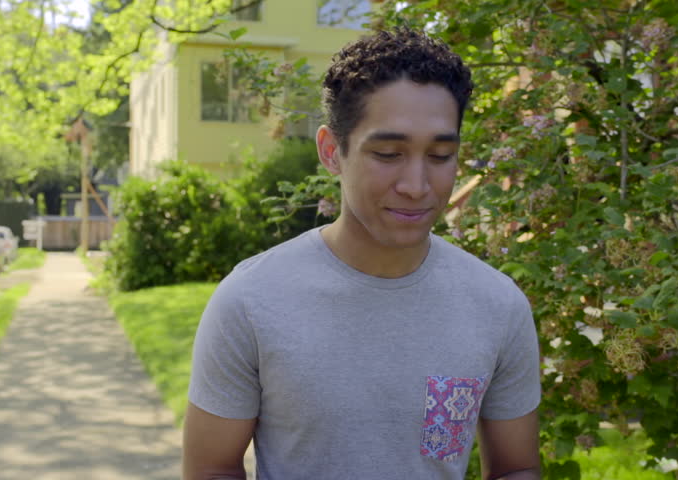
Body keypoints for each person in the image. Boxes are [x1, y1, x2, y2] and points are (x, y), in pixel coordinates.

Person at [182, 28, 541, 480]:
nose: (416, 185)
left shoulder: (498, 305)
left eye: (440, 155)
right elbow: (211, 469)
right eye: (389, 153)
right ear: (332, 152)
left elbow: (517, 468)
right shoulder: (251, 302)